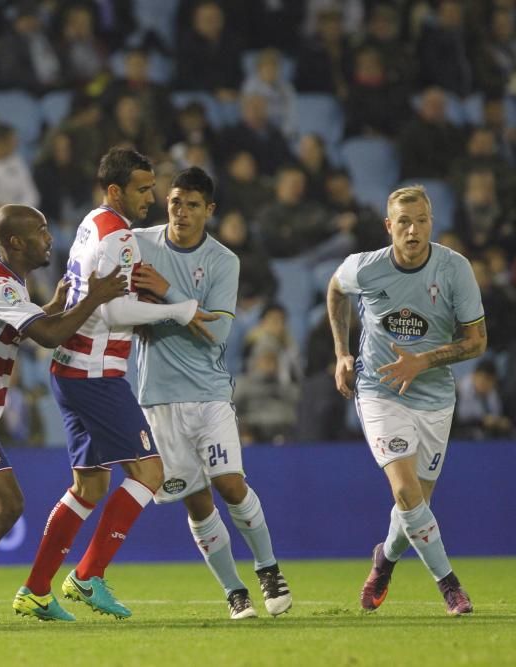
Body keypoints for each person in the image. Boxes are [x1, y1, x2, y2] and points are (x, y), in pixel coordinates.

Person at [13, 148, 218, 621]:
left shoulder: (91, 223)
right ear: (114, 191)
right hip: (95, 372)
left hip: (69, 368)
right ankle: (87, 578)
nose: (153, 197)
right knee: (150, 473)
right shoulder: (120, 236)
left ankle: (36, 589)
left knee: (88, 485)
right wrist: (177, 309)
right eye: (143, 189)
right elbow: (114, 310)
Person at [0, 204, 127, 624]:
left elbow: (33, 323)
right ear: (16, 242)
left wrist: (55, 303)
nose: (49, 238)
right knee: (7, 506)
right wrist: (93, 296)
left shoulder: (3, 276)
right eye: (40, 231)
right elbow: (48, 335)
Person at [131, 167, 293, 620]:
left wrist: (166, 293)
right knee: (196, 498)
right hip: (157, 396)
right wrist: (173, 311)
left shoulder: (224, 261)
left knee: (230, 484)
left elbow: (218, 331)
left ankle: (268, 567)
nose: (181, 212)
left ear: (210, 210)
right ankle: (234, 590)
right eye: (175, 203)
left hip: (208, 392)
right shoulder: (140, 244)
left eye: (192, 205)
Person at [326, 185, 486, 616]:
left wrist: (424, 361)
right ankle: (450, 585)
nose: (413, 231)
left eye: (421, 221)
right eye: (403, 222)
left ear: (432, 223)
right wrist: (342, 352)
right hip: (380, 391)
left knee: (415, 504)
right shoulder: (365, 268)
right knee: (404, 488)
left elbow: (477, 341)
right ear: (388, 226)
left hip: (434, 396)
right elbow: (336, 290)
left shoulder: (455, 269)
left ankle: (385, 559)